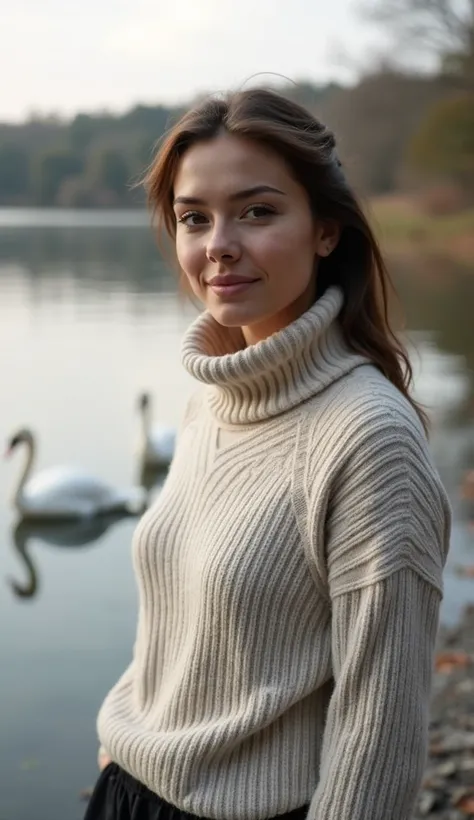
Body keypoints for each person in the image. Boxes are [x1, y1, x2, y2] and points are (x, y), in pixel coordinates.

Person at [85, 88, 451, 820]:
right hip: (129, 791)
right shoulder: (210, 397)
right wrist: (125, 730)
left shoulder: (369, 438)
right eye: (194, 218)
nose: (218, 243)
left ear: (325, 230)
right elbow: (177, 610)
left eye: (256, 211)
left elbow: (379, 734)